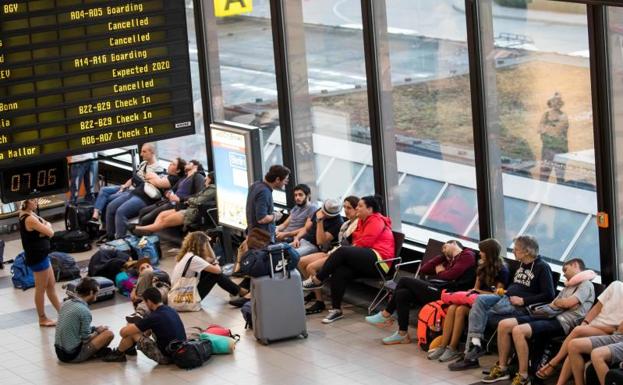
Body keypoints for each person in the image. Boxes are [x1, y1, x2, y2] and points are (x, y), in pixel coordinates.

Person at [450, 235, 556, 371]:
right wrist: (506, 291)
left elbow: (549, 295)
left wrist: (523, 300)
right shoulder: (522, 265)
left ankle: (471, 354)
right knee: (479, 300)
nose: (513, 252)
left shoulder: (542, 267)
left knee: (478, 311)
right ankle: (476, 345)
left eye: (516, 249)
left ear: (527, 251)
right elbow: (518, 284)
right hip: (505, 297)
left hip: (519, 305)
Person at [482, 258, 595, 385]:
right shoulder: (569, 286)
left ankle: (523, 376)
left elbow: (569, 303)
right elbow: (558, 304)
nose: (564, 274)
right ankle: (503, 368)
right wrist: (561, 304)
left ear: (575, 265)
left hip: (563, 322)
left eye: (565, 269)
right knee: (504, 324)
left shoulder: (586, 285)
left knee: (518, 331)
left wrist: (561, 304)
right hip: (549, 315)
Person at [302, 195, 395, 324]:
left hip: (380, 262)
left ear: (370, 209)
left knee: (343, 251)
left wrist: (350, 251)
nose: (358, 208)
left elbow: (366, 242)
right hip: (367, 261)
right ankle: (336, 310)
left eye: (360, 206)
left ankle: (318, 279)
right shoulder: (362, 221)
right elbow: (358, 243)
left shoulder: (376, 220)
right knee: (340, 271)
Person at [365, 239, 477, 345]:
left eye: (445, 247)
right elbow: (424, 269)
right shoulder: (447, 261)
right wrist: (443, 256)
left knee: (404, 280)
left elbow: (449, 276)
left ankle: (386, 314)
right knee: (402, 293)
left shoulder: (467, 255)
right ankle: (402, 334)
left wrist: (440, 272)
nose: (443, 250)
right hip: (438, 288)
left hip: (448, 293)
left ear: (453, 243)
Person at [426, 238, 509, 362]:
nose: (479, 254)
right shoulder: (482, 265)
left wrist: (477, 292)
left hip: (489, 303)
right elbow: (476, 287)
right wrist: (474, 292)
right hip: (476, 299)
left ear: (489, 252)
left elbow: (497, 295)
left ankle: (453, 347)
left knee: (460, 310)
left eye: (482, 251)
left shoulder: (503, 270)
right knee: (453, 308)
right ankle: (444, 346)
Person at [534, 280, 623, 383]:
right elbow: (597, 308)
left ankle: (554, 363)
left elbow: (618, 330)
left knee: (578, 331)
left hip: (609, 330)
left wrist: (586, 327)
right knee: (574, 345)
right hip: (592, 326)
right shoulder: (616, 285)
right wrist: (585, 322)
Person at [299, 196, 358, 315]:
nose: (346, 210)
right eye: (345, 207)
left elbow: (320, 241)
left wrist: (319, 221)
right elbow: (307, 227)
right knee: (300, 261)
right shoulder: (346, 223)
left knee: (311, 267)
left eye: (349, 208)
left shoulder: (339, 223)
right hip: (333, 251)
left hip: (338, 254)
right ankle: (315, 292)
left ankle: (319, 301)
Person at [105, 156, 184, 239]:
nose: (169, 165)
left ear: (178, 170)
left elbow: (158, 182)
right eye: (170, 163)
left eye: (173, 164)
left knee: (121, 212)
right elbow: (148, 176)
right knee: (111, 207)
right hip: (135, 192)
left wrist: (154, 178)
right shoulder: (165, 174)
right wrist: (154, 179)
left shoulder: (174, 179)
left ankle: (121, 241)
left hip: (144, 198)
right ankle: (109, 238)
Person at [104, 287, 186, 364]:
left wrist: (133, 326)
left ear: (149, 302)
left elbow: (123, 332)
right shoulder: (171, 310)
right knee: (137, 332)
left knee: (132, 333)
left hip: (166, 357)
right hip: (181, 350)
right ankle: (127, 349)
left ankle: (118, 353)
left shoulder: (153, 317)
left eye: (145, 302)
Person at [90, 143, 163, 227]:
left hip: (134, 192)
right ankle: (96, 216)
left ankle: (106, 226)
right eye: (141, 151)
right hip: (128, 187)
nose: (141, 154)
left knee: (108, 200)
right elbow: (134, 178)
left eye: (144, 152)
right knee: (104, 190)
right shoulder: (143, 164)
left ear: (152, 152)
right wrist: (124, 186)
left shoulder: (158, 169)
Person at [171, 231, 248, 302]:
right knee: (215, 274)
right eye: (206, 244)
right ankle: (240, 291)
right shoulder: (195, 259)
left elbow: (210, 259)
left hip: (180, 293)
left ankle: (237, 291)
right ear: (202, 245)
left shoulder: (188, 255)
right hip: (187, 297)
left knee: (210, 271)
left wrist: (213, 260)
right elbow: (218, 270)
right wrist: (211, 252)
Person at [18, 198, 61, 327]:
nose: (36, 203)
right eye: (33, 201)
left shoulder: (31, 213)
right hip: (37, 257)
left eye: (36, 200)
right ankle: (42, 318)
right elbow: (50, 232)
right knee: (41, 288)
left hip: (42, 255)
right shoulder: (29, 218)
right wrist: (45, 230)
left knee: (51, 285)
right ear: (25, 203)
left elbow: (46, 224)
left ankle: (62, 313)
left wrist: (45, 229)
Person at [131, 172, 216, 235]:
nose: (205, 179)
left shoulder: (212, 188)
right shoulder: (205, 187)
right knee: (162, 214)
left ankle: (141, 229)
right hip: (188, 207)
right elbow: (195, 197)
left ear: (211, 180)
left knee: (164, 221)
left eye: (207, 178)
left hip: (193, 212)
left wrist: (187, 200)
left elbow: (198, 200)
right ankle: (148, 229)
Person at [54, 277, 114, 363]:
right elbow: (86, 339)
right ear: (91, 292)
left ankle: (96, 352)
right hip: (71, 355)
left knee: (99, 332)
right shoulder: (84, 310)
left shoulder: (67, 303)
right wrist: (98, 332)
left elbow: (77, 327)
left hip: (60, 352)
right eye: (97, 293)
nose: (96, 296)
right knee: (108, 334)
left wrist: (95, 328)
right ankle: (95, 353)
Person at [137, 159, 205, 227]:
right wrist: (169, 193)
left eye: (189, 163)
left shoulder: (199, 177)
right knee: (142, 211)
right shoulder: (183, 178)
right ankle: (140, 231)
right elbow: (172, 190)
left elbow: (200, 194)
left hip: (179, 204)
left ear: (195, 166)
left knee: (146, 219)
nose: (186, 164)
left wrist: (180, 199)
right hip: (169, 201)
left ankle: (140, 232)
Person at [245, 164, 290, 239]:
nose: (286, 183)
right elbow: (262, 219)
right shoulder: (264, 192)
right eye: (285, 180)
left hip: (254, 234)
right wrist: (275, 216)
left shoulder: (256, 185)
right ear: (277, 179)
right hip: (262, 239)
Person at [125, 258, 171, 323]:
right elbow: (133, 296)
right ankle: (140, 313)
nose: (146, 268)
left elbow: (165, 277)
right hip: (146, 295)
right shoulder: (139, 280)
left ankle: (140, 313)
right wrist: (134, 289)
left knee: (154, 294)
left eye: (147, 266)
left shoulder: (160, 272)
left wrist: (154, 279)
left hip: (161, 288)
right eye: (142, 268)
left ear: (152, 267)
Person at [538, 92, 569, 183]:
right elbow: (540, 128)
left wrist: (548, 128)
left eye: (558, 101)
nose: (556, 103)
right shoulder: (546, 114)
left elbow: (559, 129)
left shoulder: (563, 115)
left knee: (560, 174)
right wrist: (549, 128)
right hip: (547, 148)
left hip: (560, 148)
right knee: (544, 174)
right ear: (550, 103)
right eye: (554, 101)